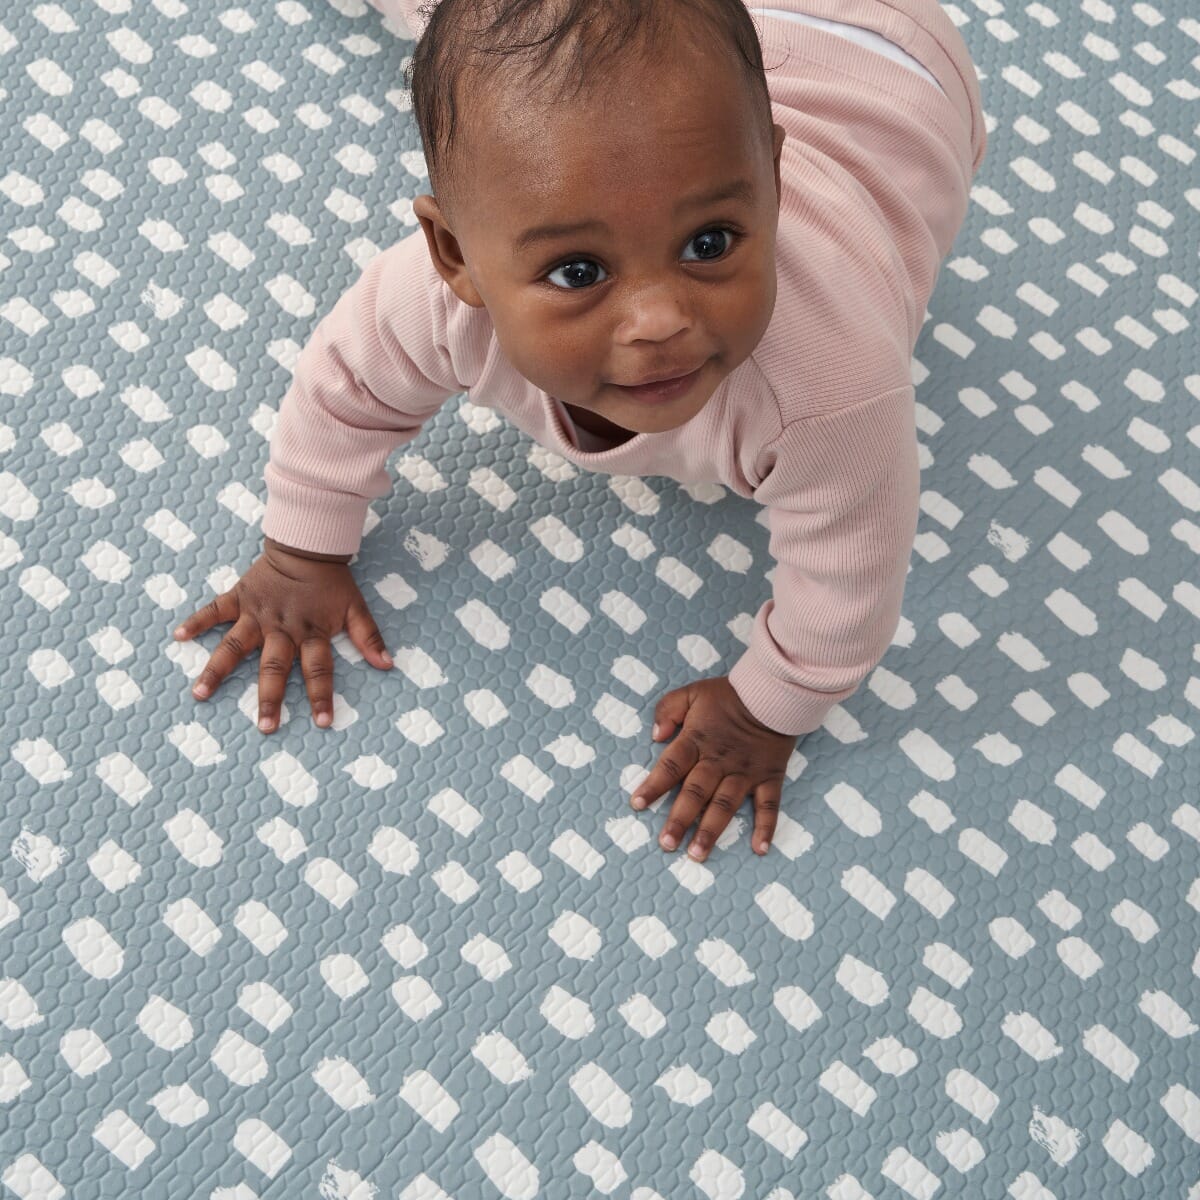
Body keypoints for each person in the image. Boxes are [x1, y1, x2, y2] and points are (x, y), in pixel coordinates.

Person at [173, 0, 987, 863]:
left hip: (893, 71)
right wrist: (303, 551)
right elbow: (345, 390)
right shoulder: (430, 301)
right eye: (579, 271)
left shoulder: (835, 389)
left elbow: (848, 588)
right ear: (456, 257)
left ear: (774, 185)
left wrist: (764, 712)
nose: (658, 320)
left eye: (710, 242)